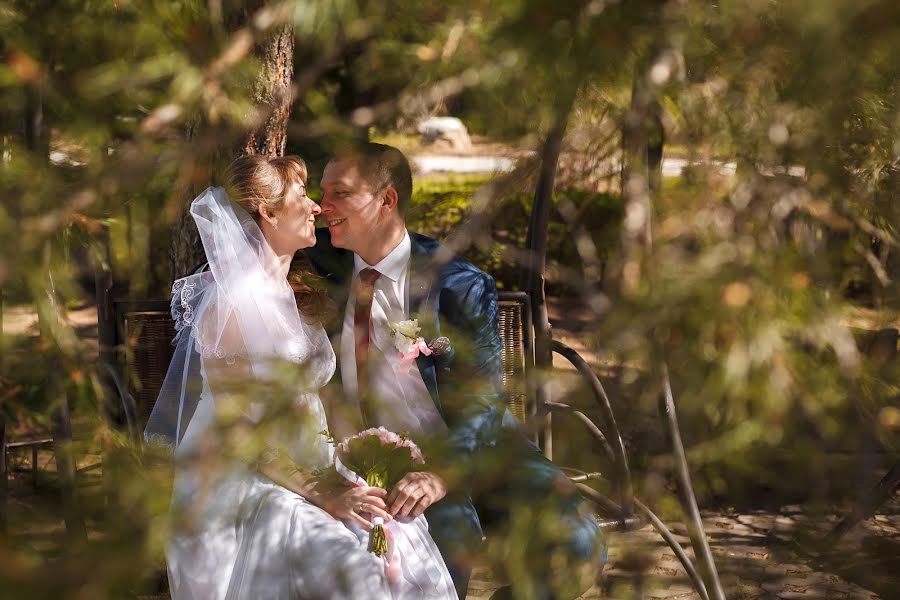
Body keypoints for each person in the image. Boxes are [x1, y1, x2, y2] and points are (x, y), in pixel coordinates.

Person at [144, 154, 458, 599]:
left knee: (401, 534)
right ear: (268, 213)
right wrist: (323, 492)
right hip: (247, 478)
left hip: (308, 458)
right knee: (354, 571)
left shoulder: (296, 293)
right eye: (302, 196)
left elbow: (318, 401)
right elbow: (240, 431)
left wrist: (362, 465)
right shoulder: (228, 308)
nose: (316, 207)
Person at [306, 143, 606, 600]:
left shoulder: (458, 285)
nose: (322, 205)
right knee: (443, 547)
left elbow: (485, 401)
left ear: (386, 200)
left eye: (339, 193)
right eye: (321, 192)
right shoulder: (318, 259)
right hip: (377, 460)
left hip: (472, 445)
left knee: (582, 545)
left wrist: (442, 474)